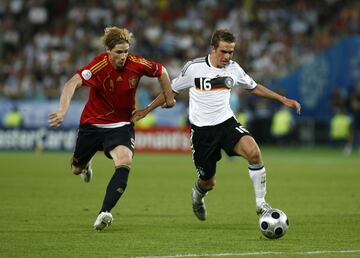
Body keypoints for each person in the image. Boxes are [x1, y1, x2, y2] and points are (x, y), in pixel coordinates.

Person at [131, 29, 301, 221]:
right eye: (223, 51)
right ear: (213, 49)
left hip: (226, 124)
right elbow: (170, 91)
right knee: (208, 182)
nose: (227, 56)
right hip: (202, 132)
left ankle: (261, 203)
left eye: (231, 52)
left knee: (254, 153)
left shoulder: (234, 69)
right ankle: (197, 198)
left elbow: (253, 87)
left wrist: (282, 99)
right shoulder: (194, 68)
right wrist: (146, 110)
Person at [48, 26, 175, 231]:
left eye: (126, 51)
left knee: (125, 160)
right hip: (92, 124)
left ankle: (104, 212)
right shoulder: (98, 66)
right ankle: (86, 164)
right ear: (108, 51)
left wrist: (168, 97)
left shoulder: (137, 64)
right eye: (118, 52)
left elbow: (162, 71)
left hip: (121, 125)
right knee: (75, 169)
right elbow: (72, 83)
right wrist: (62, 111)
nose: (123, 56)